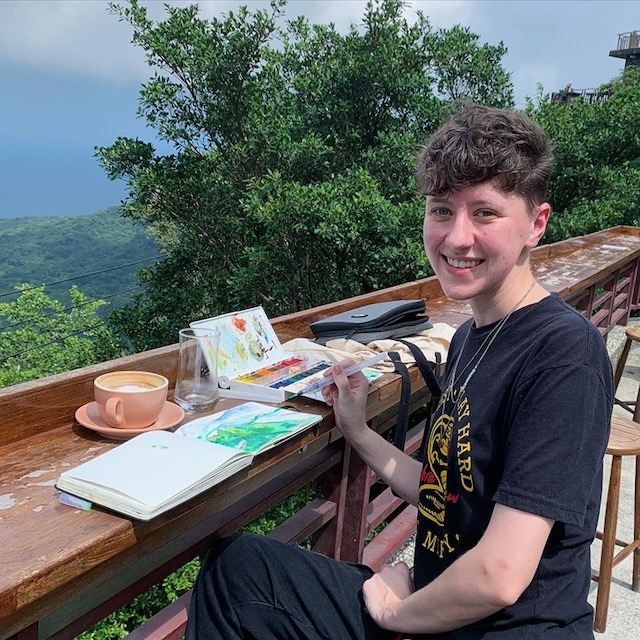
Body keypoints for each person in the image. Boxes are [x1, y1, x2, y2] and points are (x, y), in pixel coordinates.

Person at [185, 106, 613, 639]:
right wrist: (359, 430)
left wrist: (395, 615)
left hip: (504, 626)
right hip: (441, 603)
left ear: (537, 223)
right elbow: (446, 493)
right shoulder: (467, 339)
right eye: (441, 210)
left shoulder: (563, 353)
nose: (457, 238)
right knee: (238, 568)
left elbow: (501, 576)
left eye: (485, 213)